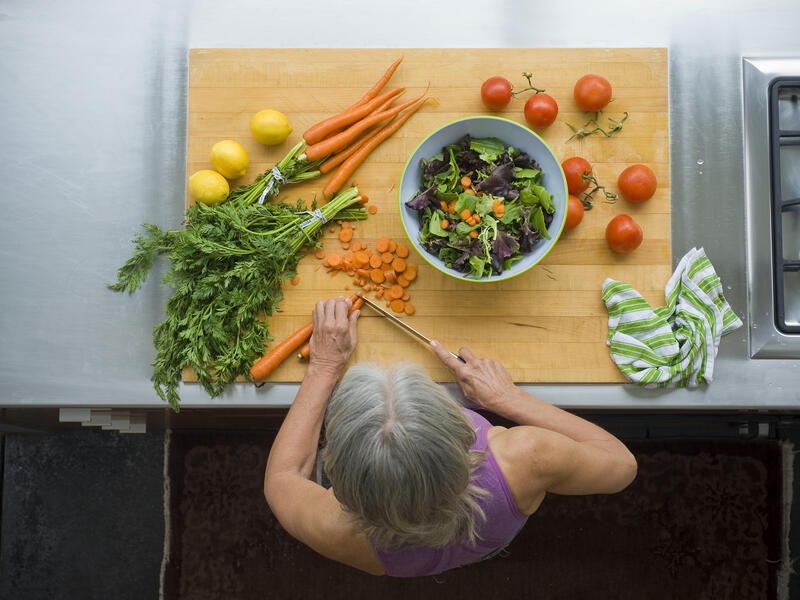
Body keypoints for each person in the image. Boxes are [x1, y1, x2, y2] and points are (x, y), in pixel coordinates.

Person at [263, 296, 638, 577]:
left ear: (339, 480)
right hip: (490, 534)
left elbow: (282, 477)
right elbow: (621, 464)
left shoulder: (336, 529)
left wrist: (324, 367)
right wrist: (507, 399)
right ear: (460, 430)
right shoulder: (529, 456)